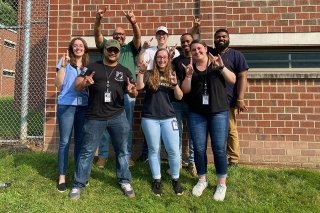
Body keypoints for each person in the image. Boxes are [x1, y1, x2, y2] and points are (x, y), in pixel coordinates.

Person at [69, 39, 138, 199]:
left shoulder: (125, 71)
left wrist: (132, 91)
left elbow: (134, 92)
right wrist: (84, 83)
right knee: (87, 151)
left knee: (122, 151)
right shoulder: (93, 67)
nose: (112, 52)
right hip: (95, 117)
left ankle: (125, 180)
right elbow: (77, 84)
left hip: (118, 116)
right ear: (104, 51)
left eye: (115, 50)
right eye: (110, 50)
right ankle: (79, 183)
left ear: (119, 52)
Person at [181, 40, 236, 201]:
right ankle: (202, 179)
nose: (196, 51)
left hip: (218, 112)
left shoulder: (217, 63)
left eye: (199, 48)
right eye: (193, 50)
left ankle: (221, 183)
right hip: (197, 113)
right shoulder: (191, 68)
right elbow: (185, 90)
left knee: (219, 148)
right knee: (198, 148)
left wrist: (222, 67)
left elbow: (232, 80)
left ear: (205, 49)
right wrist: (189, 76)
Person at [94, 7, 141, 167]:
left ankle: (126, 155)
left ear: (124, 37)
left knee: (126, 125)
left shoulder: (129, 48)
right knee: (104, 122)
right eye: (116, 34)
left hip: (127, 93)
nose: (119, 36)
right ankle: (103, 155)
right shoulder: (108, 46)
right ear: (113, 37)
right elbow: (98, 37)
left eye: (121, 34)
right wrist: (98, 19)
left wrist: (133, 22)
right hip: (109, 91)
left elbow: (137, 37)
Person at [136, 48, 184, 196]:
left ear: (168, 59)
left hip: (169, 117)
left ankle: (175, 179)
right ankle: (157, 179)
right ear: (155, 59)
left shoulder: (172, 74)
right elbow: (139, 87)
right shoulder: (149, 73)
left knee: (174, 150)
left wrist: (175, 84)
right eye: (159, 57)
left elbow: (180, 97)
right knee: (154, 149)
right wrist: (141, 72)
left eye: (164, 57)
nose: (162, 60)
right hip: (150, 118)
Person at [136, 25, 180, 162]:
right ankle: (147, 156)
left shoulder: (175, 52)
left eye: (164, 34)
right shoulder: (149, 50)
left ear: (167, 36)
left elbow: (174, 69)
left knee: (170, 130)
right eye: (159, 34)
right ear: (156, 36)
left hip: (168, 90)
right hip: (152, 87)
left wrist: (171, 59)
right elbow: (141, 63)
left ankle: (170, 157)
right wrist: (143, 48)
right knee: (151, 127)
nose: (161, 36)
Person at [208, 29, 249, 167]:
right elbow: (194, 43)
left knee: (231, 130)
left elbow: (243, 77)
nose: (221, 39)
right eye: (218, 37)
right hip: (211, 100)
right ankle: (220, 157)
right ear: (214, 39)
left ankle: (233, 160)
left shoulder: (237, 55)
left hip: (229, 100)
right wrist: (195, 28)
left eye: (224, 37)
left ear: (228, 39)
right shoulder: (210, 53)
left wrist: (240, 98)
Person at [55, 37, 89, 193]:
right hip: (66, 106)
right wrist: (62, 66)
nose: (78, 48)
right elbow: (59, 84)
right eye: (75, 45)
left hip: (83, 106)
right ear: (71, 48)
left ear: (84, 49)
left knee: (80, 141)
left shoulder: (88, 66)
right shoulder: (64, 62)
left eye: (80, 45)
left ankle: (79, 175)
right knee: (65, 141)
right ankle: (62, 175)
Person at [171, 33, 197, 177]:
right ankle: (179, 162)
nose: (185, 44)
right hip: (178, 102)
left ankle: (192, 162)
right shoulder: (176, 60)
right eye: (183, 42)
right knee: (178, 133)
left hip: (194, 102)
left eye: (188, 41)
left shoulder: (198, 58)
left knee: (193, 133)